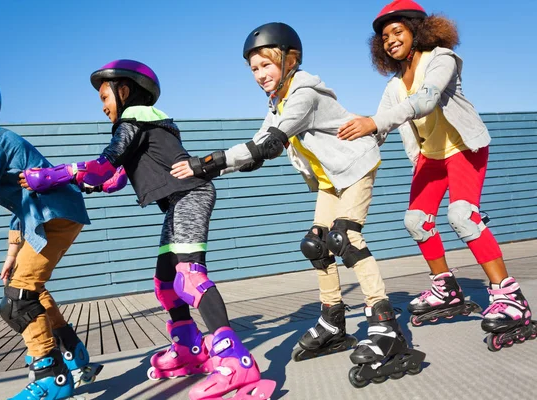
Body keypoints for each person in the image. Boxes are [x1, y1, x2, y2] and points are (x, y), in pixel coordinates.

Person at [170, 23, 425, 387]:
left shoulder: (304, 92)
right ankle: (332, 320)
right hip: (329, 179)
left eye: (266, 65)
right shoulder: (279, 101)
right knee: (316, 246)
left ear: (290, 59)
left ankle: (386, 326)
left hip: (355, 166)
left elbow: (269, 144)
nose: (260, 75)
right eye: (254, 69)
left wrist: (204, 163)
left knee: (346, 240)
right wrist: (210, 170)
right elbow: (257, 150)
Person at [20, 59, 276, 400]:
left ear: (124, 91)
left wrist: (55, 175)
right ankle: (189, 348)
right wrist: (70, 182)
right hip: (178, 201)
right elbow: (110, 180)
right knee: (166, 285)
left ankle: (235, 361)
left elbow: (100, 167)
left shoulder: (132, 122)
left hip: (191, 194)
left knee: (190, 277)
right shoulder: (148, 128)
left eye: (104, 97)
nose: (103, 107)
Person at [338, 0, 537, 350]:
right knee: (416, 220)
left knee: (463, 216)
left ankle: (510, 296)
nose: (390, 41)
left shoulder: (441, 58)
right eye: (384, 37)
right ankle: (445, 287)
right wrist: (340, 139)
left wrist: (374, 122)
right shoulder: (394, 86)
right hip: (430, 156)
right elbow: (379, 128)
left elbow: (426, 100)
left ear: (418, 31)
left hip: (463, 148)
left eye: (397, 32)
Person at [0, 66, 100, 400]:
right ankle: (72, 355)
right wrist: (13, 252)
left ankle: (49, 377)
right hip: (50, 214)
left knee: (17, 301)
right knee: (30, 291)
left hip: (53, 214)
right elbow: (17, 200)